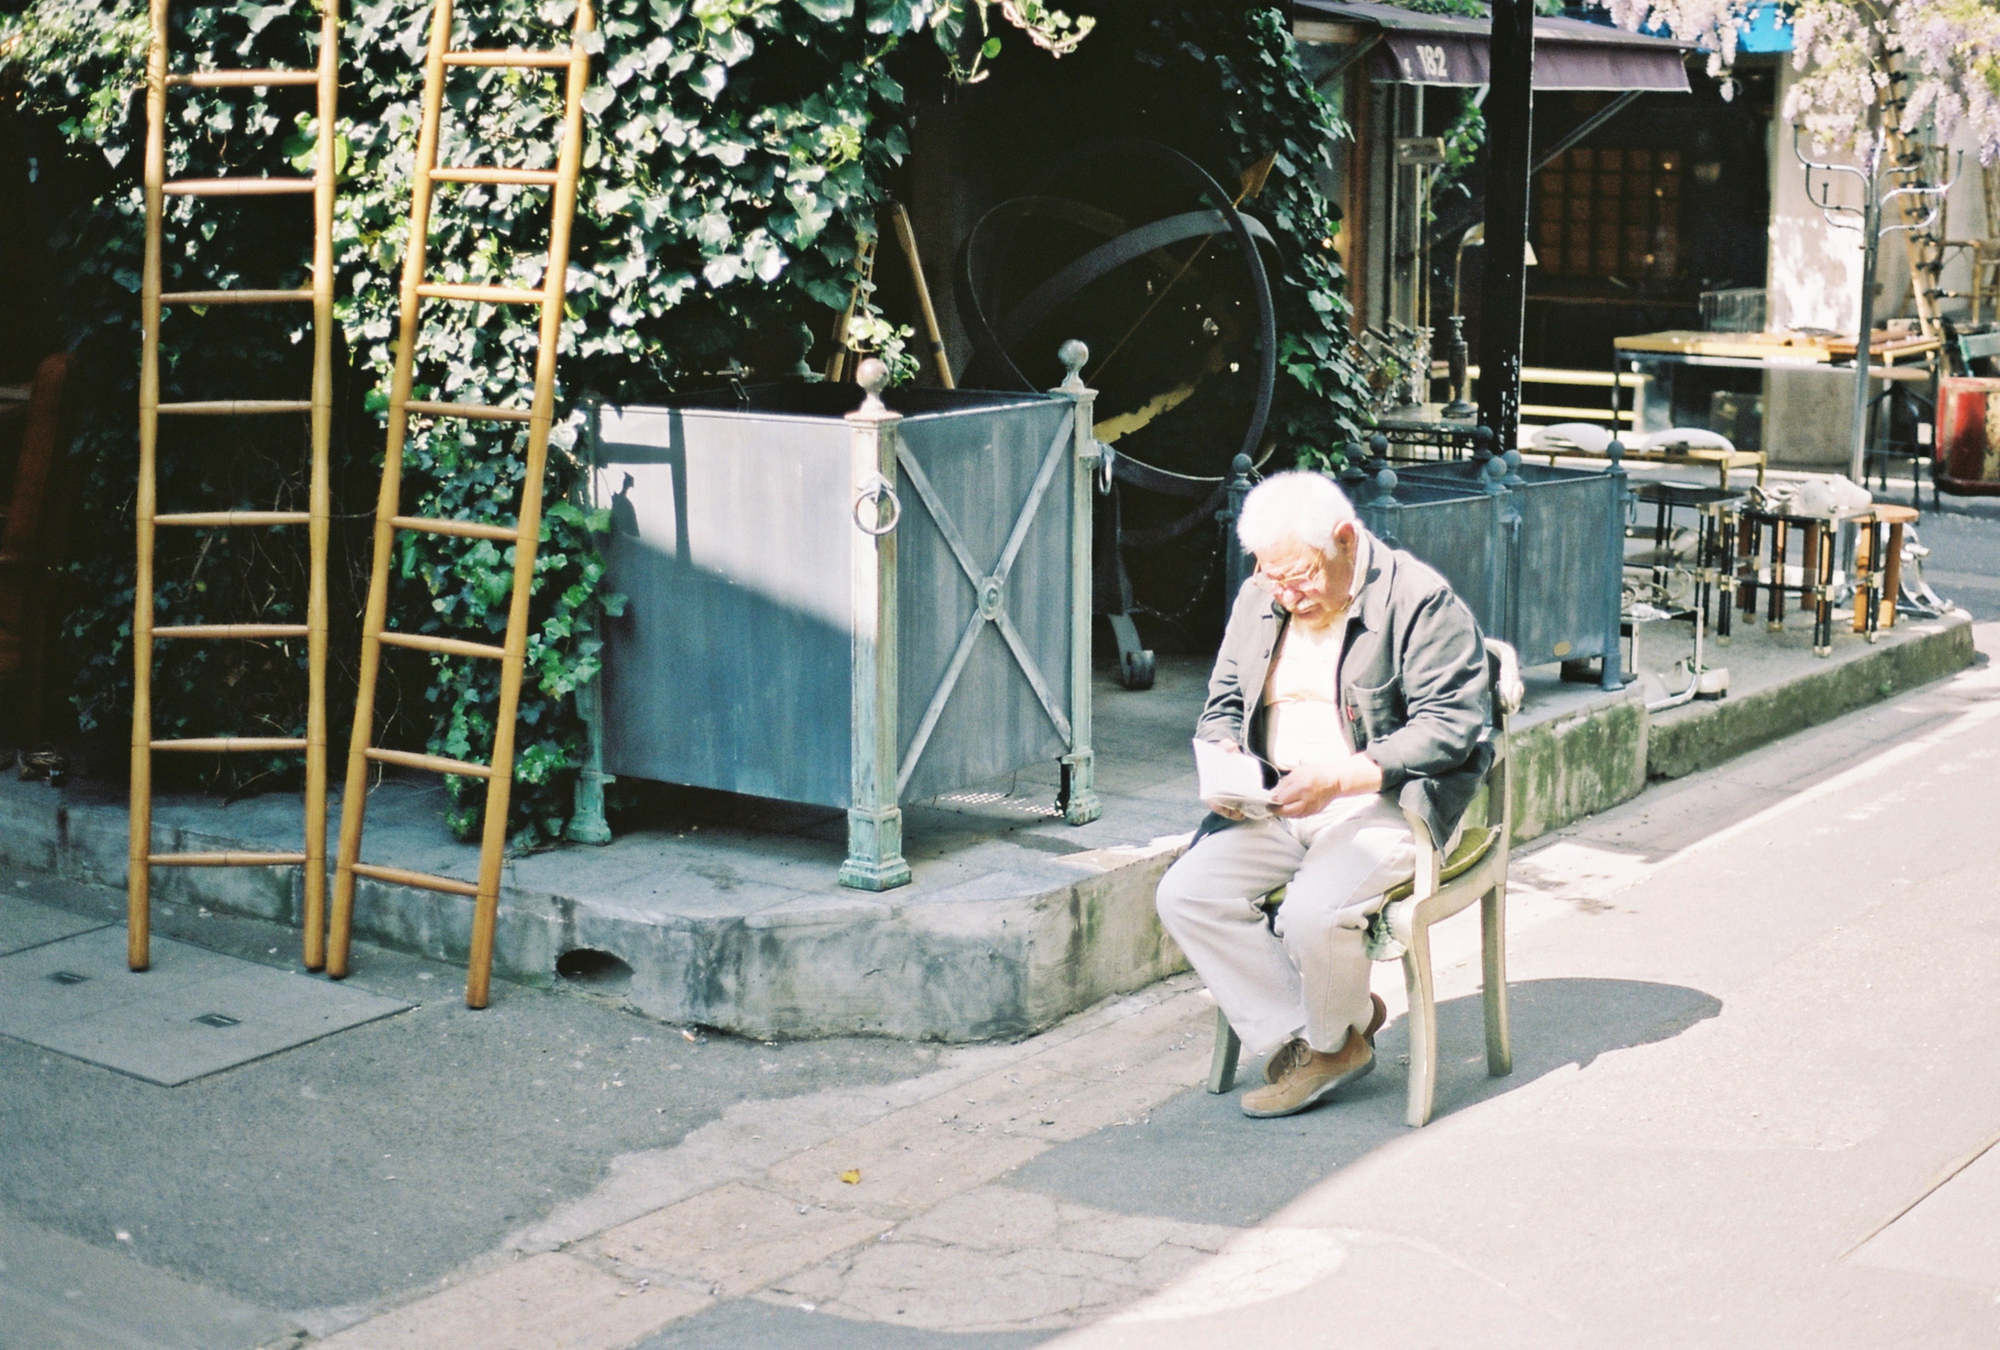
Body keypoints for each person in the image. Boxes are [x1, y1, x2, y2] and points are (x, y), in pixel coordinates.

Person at [1155, 469, 1494, 1118]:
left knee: (1312, 913)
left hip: (1383, 803)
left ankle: (1331, 1038)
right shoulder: (1261, 598)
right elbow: (1223, 702)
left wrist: (1341, 777)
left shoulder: (1419, 601)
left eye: (1301, 577)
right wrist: (1225, 757)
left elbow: (1451, 727)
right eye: (1270, 576)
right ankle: (1322, 1036)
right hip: (1280, 800)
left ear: (1345, 539)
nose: (1286, 596)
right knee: (1186, 894)